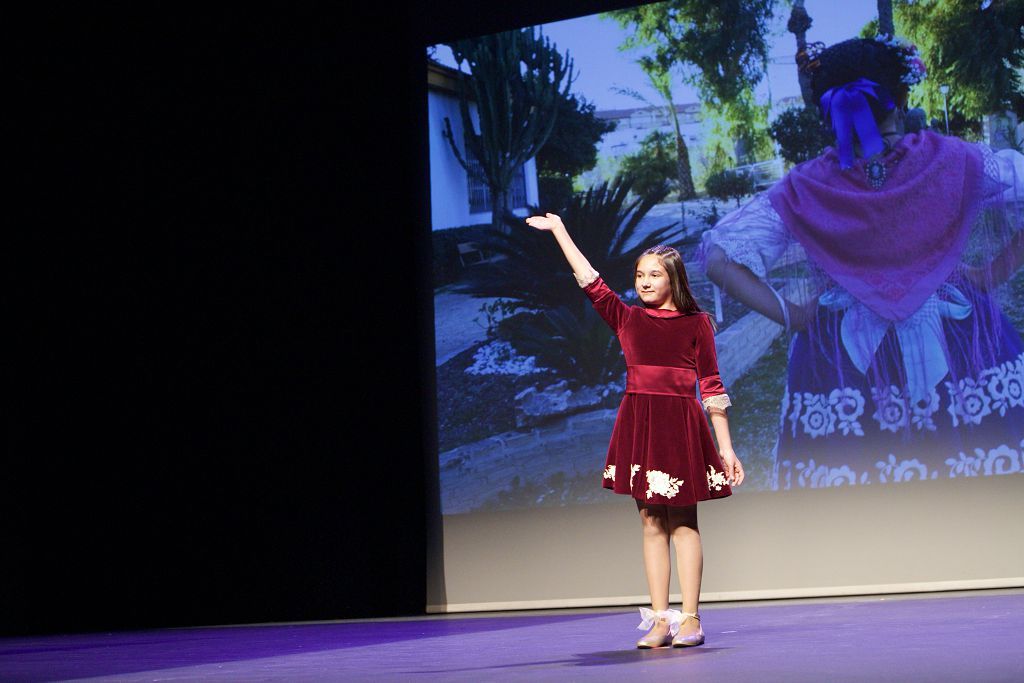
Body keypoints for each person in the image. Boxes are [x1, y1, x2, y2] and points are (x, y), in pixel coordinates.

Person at [701, 36, 1024, 490]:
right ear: (901, 97)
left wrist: (793, 316)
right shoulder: (953, 160)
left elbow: (718, 260)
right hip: (959, 340)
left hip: (842, 357)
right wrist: (992, 273)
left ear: (827, 112)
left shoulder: (807, 185)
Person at [525, 213, 743, 649]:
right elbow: (590, 281)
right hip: (640, 424)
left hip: (680, 426)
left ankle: (691, 620)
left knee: (682, 521)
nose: (644, 282)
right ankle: (660, 620)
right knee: (649, 521)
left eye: (654, 274)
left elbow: (712, 387)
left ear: (673, 279)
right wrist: (561, 231)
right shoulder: (627, 318)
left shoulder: (696, 324)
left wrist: (726, 449)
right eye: (640, 275)